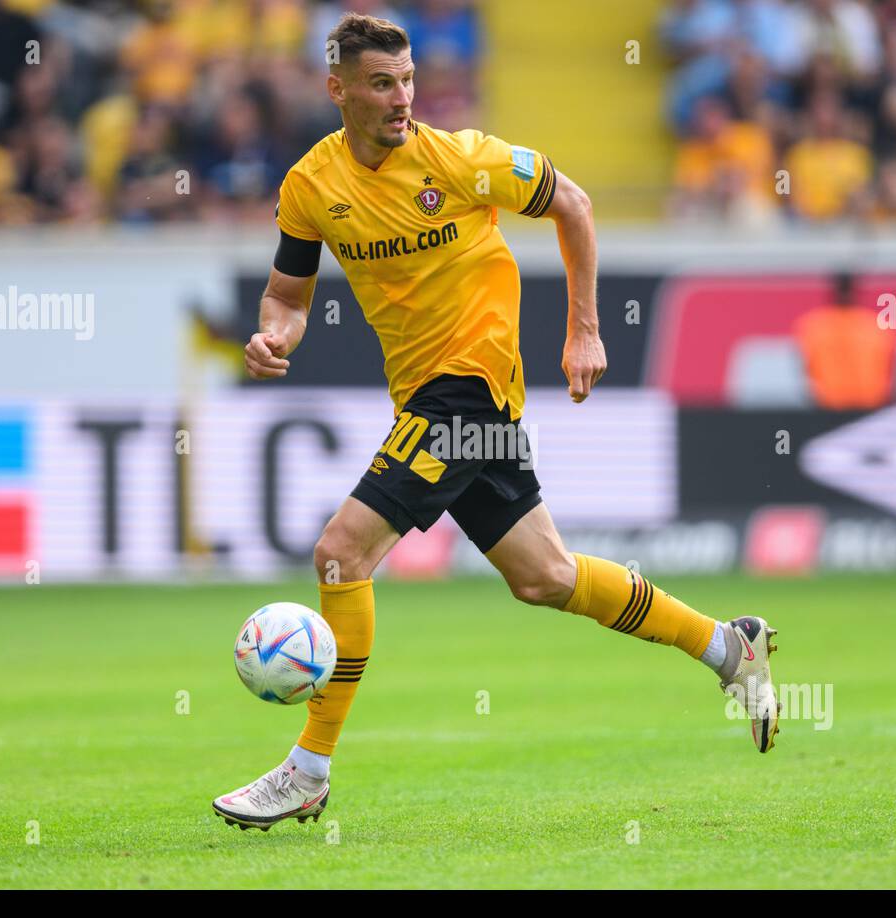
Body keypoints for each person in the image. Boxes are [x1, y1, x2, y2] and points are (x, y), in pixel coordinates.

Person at [213, 14, 782, 831]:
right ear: (337, 89)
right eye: (381, 83)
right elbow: (288, 294)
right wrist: (275, 335)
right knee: (544, 576)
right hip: (427, 399)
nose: (402, 97)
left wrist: (584, 327)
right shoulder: (310, 185)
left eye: (407, 80)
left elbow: (574, 205)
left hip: (472, 388)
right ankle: (732, 648)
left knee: (341, 552)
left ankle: (308, 768)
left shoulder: (464, 158)